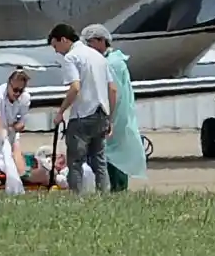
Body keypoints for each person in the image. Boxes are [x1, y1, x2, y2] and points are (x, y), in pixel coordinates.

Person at [48, 23, 117, 194]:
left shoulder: (71, 57)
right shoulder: (99, 57)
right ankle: (105, 194)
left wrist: (60, 111)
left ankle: (76, 197)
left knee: (75, 161)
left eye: (56, 46)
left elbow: (75, 87)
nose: (57, 51)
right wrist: (110, 117)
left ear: (64, 39)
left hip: (82, 114)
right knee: (99, 160)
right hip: (101, 112)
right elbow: (113, 89)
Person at [81, 24, 147, 191]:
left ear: (101, 41)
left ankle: (117, 190)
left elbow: (113, 93)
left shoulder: (112, 63)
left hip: (114, 116)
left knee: (112, 155)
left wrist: (108, 118)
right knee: (112, 153)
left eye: (90, 43)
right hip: (116, 116)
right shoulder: (112, 61)